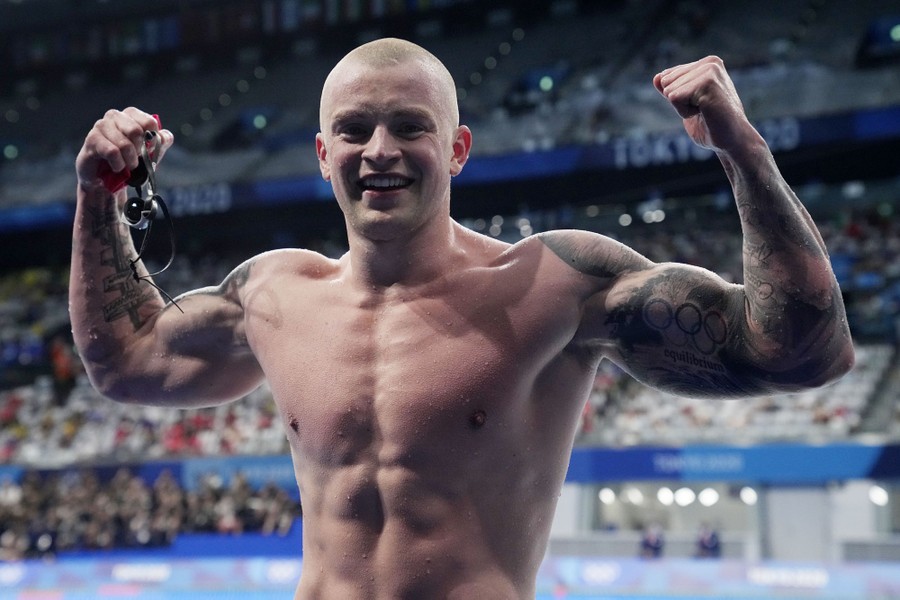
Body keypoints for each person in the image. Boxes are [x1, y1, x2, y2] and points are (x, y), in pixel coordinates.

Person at [70, 38, 854, 599]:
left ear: (458, 150)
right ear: (321, 151)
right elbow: (126, 362)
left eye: (410, 126)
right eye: (354, 129)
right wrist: (99, 196)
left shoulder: (553, 284)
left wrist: (740, 148)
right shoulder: (275, 295)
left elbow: (798, 355)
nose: (379, 150)